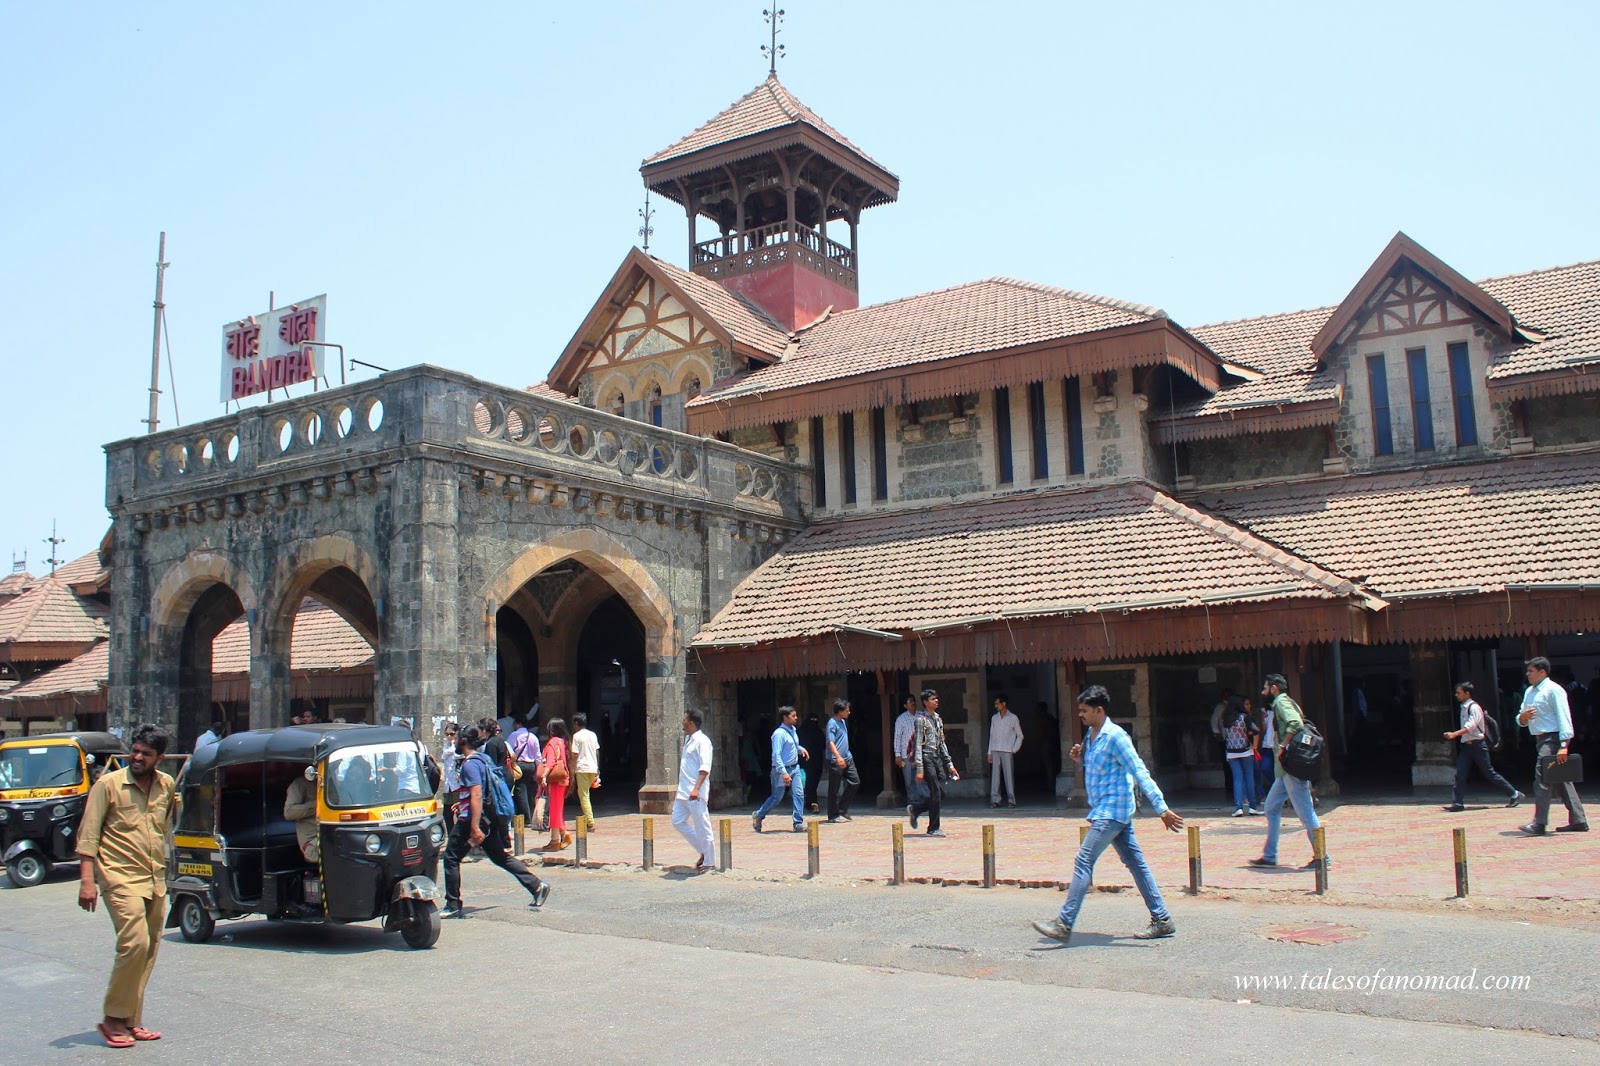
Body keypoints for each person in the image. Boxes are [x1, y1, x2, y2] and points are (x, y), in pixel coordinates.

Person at [1032, 686, 1183, 944]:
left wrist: (1162, 808)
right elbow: (1101, 769)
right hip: (1109, 810)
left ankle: (1064, 924)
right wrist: (1081, 758)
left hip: (1112, 812)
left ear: (1099, 710)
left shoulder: (1116, 736)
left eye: (1084, 711)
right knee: (1136, 863)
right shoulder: (1092, 736)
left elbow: (1139, 770)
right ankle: (1162, 919)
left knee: (1083, 861)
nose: (1080, 715)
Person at [75, 724, 176, 1048]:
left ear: (158, 757)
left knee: (147, 951)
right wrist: (87, 882)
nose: (137, 757)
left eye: (145, 754)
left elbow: (163, 830)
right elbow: (88, 835)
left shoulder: (167, 786)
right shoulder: (108, 785)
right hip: (118, 878)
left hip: (154, 879)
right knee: (133, 944)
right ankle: (112, 1019)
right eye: (134, 750)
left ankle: (132, 1020)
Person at [441, 725, 549, 919]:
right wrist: (463, 803)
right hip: (485, 818)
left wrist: (474, 826)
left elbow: (477, 794)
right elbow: (477, 792)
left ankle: (452, 904)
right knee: (500, 856)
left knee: (450, 858)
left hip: (472, 821)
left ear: (463, 741)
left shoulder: (470, 764)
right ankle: (537, 886)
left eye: (456, 738)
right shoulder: (483, 759)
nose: (454, 741)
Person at [1249, 674, 1328, 870]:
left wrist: (1283, 746)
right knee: (1271, 807)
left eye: (1265, 687)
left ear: (1274, 688)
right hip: (1283, 771)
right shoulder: (1288, 701)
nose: (1263, 692)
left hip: (1291, 769)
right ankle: (1269, 856)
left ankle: (1322, 857)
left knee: (1305, 813)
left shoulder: (1281, 702)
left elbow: (1295, 723)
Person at [1517, 657, 1587, 834]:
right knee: (1562, 779)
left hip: (1553, 739)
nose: (1528, 674)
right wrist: (1523, 718)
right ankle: (1579, 820)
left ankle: (1539, 823)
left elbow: (1564, 717)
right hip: (1539, 739)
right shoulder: (1529, 692)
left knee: (1541, 778)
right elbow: (1521, 716)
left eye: (1531, 671)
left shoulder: (1554, 690)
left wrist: (1564, 744)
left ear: (1542, 672)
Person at [1444, 681, 1521, 812]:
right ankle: (1457, 803)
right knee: (1460, 774)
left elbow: (1471, 726)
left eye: (1459, 692)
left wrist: (1454, 734)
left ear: (1467, 693)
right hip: (1466, 746)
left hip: (1477, 745)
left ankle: (1514, 793)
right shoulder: (1463, 707)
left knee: (1489, 773)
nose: (1456, 695)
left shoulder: (1474, 708)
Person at [908, 688, 959, 837]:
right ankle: (933, 828)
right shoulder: (920, 720)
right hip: (926, 757)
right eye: (932, 699)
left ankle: (916, 809)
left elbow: (941, 743)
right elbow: (918, 744)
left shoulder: (937, 719)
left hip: (936, 758)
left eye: (936, 698)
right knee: (935, 791)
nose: (936, 701)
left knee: (940, 794)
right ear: (925, 702)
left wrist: (949, 764)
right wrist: (919, 768)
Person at [752, 705, 806, 833]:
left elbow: (793, 745)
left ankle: (798, 823)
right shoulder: (778, 734)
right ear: (785, 718)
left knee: (799, 794)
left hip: (795, 768)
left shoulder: (793, 730)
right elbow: (776, 755)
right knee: (777, 797)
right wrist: (784, 773)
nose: (796, 718)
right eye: (793, 716)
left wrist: (800, 749)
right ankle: (759, 815)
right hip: (781, 770)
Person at [673, 708, 715, 868]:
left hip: (695, 791)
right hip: (683, 791)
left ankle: (710, 861)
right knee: (677, 821)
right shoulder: (688, 740)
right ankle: (703, 850)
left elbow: (705, 767)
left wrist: (697, 788)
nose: (682, 721)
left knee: (702, 825)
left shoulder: (702, 741)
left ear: (691, 723)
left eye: (684, 719)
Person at [1221, 695, 1262, 817]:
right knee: (1249, 778)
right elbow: (1256, 731)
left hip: (1232, 752)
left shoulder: (1226, 719)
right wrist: (1254, 746)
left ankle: (1238, 807)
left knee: (1237, 779)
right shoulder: (1244, 717)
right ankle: (1252, 807)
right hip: (1245, 751)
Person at [824, 698, 859, 823]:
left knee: (855, 782)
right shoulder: (832, 723)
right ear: (840, 711)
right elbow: (830, 742)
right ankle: (833, 815)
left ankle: (843, 808)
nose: (849, 712)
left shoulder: (843, 722)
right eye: (847, 710)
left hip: (848, 758)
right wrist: (838, 757)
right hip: (835, 760)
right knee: (834, 788)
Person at [541, 719, 573, 849]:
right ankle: (563, 834)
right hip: (562, 779)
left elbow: (550, 762)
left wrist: (544, 775)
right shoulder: (563, 742)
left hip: (554, 780)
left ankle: (555, 840)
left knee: (554, 810)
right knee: (557, 809)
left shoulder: (552, 743)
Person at [988, 694, 1024, 808]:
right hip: (995, 749)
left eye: (997, 703)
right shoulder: (994, 718)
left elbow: (1020, 735)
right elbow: (991, 736)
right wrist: (989, 752)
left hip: (1007, 750)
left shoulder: (1013, 718)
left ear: (1004, 704)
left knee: (1008, 776)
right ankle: (995, 800)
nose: (996, 706)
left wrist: (1014, 749)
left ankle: (1011, 800)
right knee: (995, 777)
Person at [507, 714, 542, 825]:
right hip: (531, 765)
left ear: (518, 724)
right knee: (528, 790)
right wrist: (539, 769)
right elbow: (538, 755)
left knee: (519, 790)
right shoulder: (533, 737)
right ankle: (527, 814)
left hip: (520, 765)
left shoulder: (514, 735)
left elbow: (509, 749)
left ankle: (526, 818)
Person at [571, 712, 601, 835]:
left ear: (577, 724)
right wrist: (598, 767)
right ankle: (589, 819)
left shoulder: (577, 736)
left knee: (583, 795)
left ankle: (590, 821)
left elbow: (575, 754)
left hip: (582, 767)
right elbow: (597, 751)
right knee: (585, 794)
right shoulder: (592, 735)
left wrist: (572, 769)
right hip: (593, 767)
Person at [283, 770, 320, 861]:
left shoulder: (334, 782)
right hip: (313, 841)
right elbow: (289, 812)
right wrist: (319, 805)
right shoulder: (300, 783)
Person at [798, 712, 826, 814]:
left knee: (812, 781)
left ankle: (809, 801)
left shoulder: (817, 732)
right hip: (807, 760)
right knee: (809, 781)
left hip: (815, 760)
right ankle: (812, 802)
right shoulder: (801, 732)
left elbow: (823, 745)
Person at [892, 694, 918, 801]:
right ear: (905, 705)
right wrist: (897, 755)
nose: (912, 703)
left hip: (919, 753)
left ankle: (921, 801)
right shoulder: (901, 719)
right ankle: (912, 801)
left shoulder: (921, 716)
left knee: (920, 779)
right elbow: (897, 737)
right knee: (909, 780)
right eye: (909, 702)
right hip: (905, 754)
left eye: (913, 701)